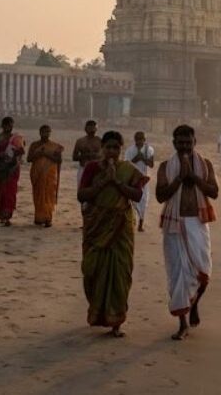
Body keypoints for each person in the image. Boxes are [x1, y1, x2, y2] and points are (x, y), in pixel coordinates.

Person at [77, 130, 144, 337]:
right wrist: (103, 182)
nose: (112, 151)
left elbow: (137, 195)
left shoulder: (128, 169)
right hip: (96, 225)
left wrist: (117, 182)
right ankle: (98, 312)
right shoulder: (92, 168)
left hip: (121, 226)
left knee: (120, 272)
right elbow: (82, 195)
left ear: (121, 149)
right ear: (102, 148)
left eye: (116, 147)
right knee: (92, 270)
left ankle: (116, 322)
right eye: (109, 147)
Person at [156, 124, 219, 340]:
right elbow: (160, 196)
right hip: (174, 226)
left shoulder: (206, 165)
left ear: (195, 142)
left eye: (188, 142)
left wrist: (193, 177)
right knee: (178, 276)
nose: (184, 146)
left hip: (198, 225)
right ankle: (182, 323)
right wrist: (180, 179)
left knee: (204, 272)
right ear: (174, 143)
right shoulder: (166, 166)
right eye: (180, 142)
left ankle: (194, 304)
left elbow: (214, 192)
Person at [0, 117, 25, 226]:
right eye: (6, 125)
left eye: (10, 125)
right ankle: (2, 216)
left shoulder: (17, 138)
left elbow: (21, 153)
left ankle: (8, 216)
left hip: (12, 169)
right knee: (1, 192)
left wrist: (16, 157)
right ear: (2, 126)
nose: (8, 127)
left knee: (11, 192)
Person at [27, 124, 63, 227]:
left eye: (48, 132)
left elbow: (59, 160)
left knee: (48, 195)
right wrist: (38, 153)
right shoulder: (34, 145)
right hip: (37, 174)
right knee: (38, 195)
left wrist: (46, 154)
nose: (46, 134)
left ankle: (48, 218)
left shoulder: (55, 146)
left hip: (49, 175)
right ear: (40, 133)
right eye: (44, 132)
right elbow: (29, 159)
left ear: (50, 133)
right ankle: (39, 218)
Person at [124, 131, 156, 232]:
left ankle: (140, 224)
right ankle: (132, 222)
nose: (139, 141)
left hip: (144, 179)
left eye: (141, 139)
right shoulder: (130, 150)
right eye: (138, 139)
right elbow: (127, 164)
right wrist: (136, 159)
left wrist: (143, 159)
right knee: (132, 201)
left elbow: (151, 164)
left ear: (144, 139)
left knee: (144, 201)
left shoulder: (149, 150)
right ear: (135, 139)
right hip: (133, 179)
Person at [72, 121, 102, 213]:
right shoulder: (80, 141)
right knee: (83, 193)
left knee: (96, 193)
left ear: (97, 128)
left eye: (94, 127)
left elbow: (103, 156)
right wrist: (84, 156)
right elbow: (74, 157)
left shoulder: (100, 141)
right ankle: (84, 218)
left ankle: (93, 219)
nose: (92, 129)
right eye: (90, 127)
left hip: (96, 170)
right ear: (85, 129)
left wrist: (94, 155)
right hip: (83, 168)